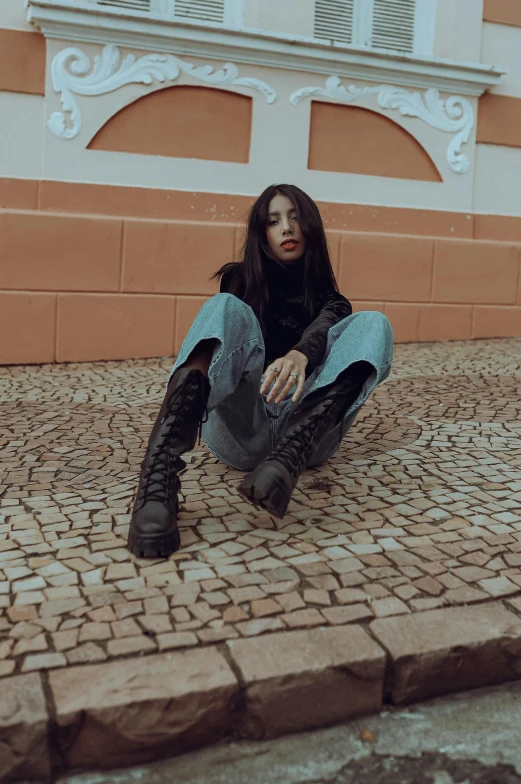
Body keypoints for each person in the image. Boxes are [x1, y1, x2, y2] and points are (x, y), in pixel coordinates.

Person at [127, 184, 393, 558]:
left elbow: (326, 323)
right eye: (274, 220)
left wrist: (301, 355)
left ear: (311, 228)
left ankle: (286, 458)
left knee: (375, 323)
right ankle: (158, 478)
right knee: (225, 308)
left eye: (296, 218)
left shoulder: (333, 301)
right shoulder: (240, 282)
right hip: (242, 429)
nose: (287, 228)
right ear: (261, 233)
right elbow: (235, 330)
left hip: (304, 440)